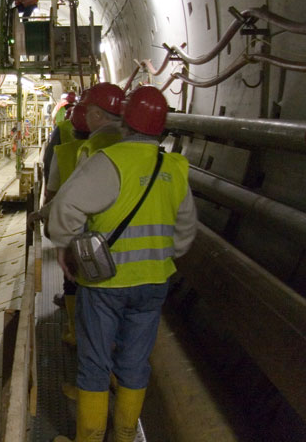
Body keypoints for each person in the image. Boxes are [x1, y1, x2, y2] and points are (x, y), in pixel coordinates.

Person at [47, 86, 197, 442]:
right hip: (154, 284)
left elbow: (64, 209)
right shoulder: (174, 166)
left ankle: (90, 438)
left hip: (106, 284)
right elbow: (185, 231)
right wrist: (158, 256)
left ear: (126, 121)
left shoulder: (109, 161)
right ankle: (125, 436)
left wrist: (68, 244)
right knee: (134, 363)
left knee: (95, 363)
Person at [41, 84, 125, 347]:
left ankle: (75, 331)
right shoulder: (132, 152)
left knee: (77, 282)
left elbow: (55, 188)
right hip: (122, 240)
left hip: (82, 230)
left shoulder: (78, 152)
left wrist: (52, 226)